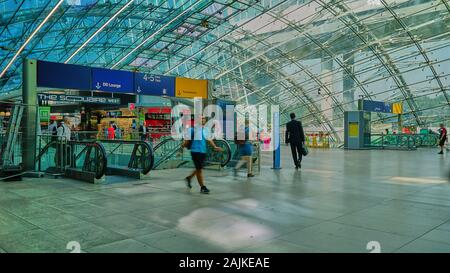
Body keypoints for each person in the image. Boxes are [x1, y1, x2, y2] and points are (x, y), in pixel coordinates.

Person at [183, 116, 222, 194]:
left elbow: (208, 139)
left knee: (199, 168)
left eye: (204, 119)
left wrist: (214, 146)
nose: (203, 120)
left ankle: (189, 178)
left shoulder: (206, 129)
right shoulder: (192, 129)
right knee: (199, 169)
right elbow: (187, 141)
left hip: (203, 152)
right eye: (201, 119)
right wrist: (183, 145)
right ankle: (202, 187)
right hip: (195, 152)